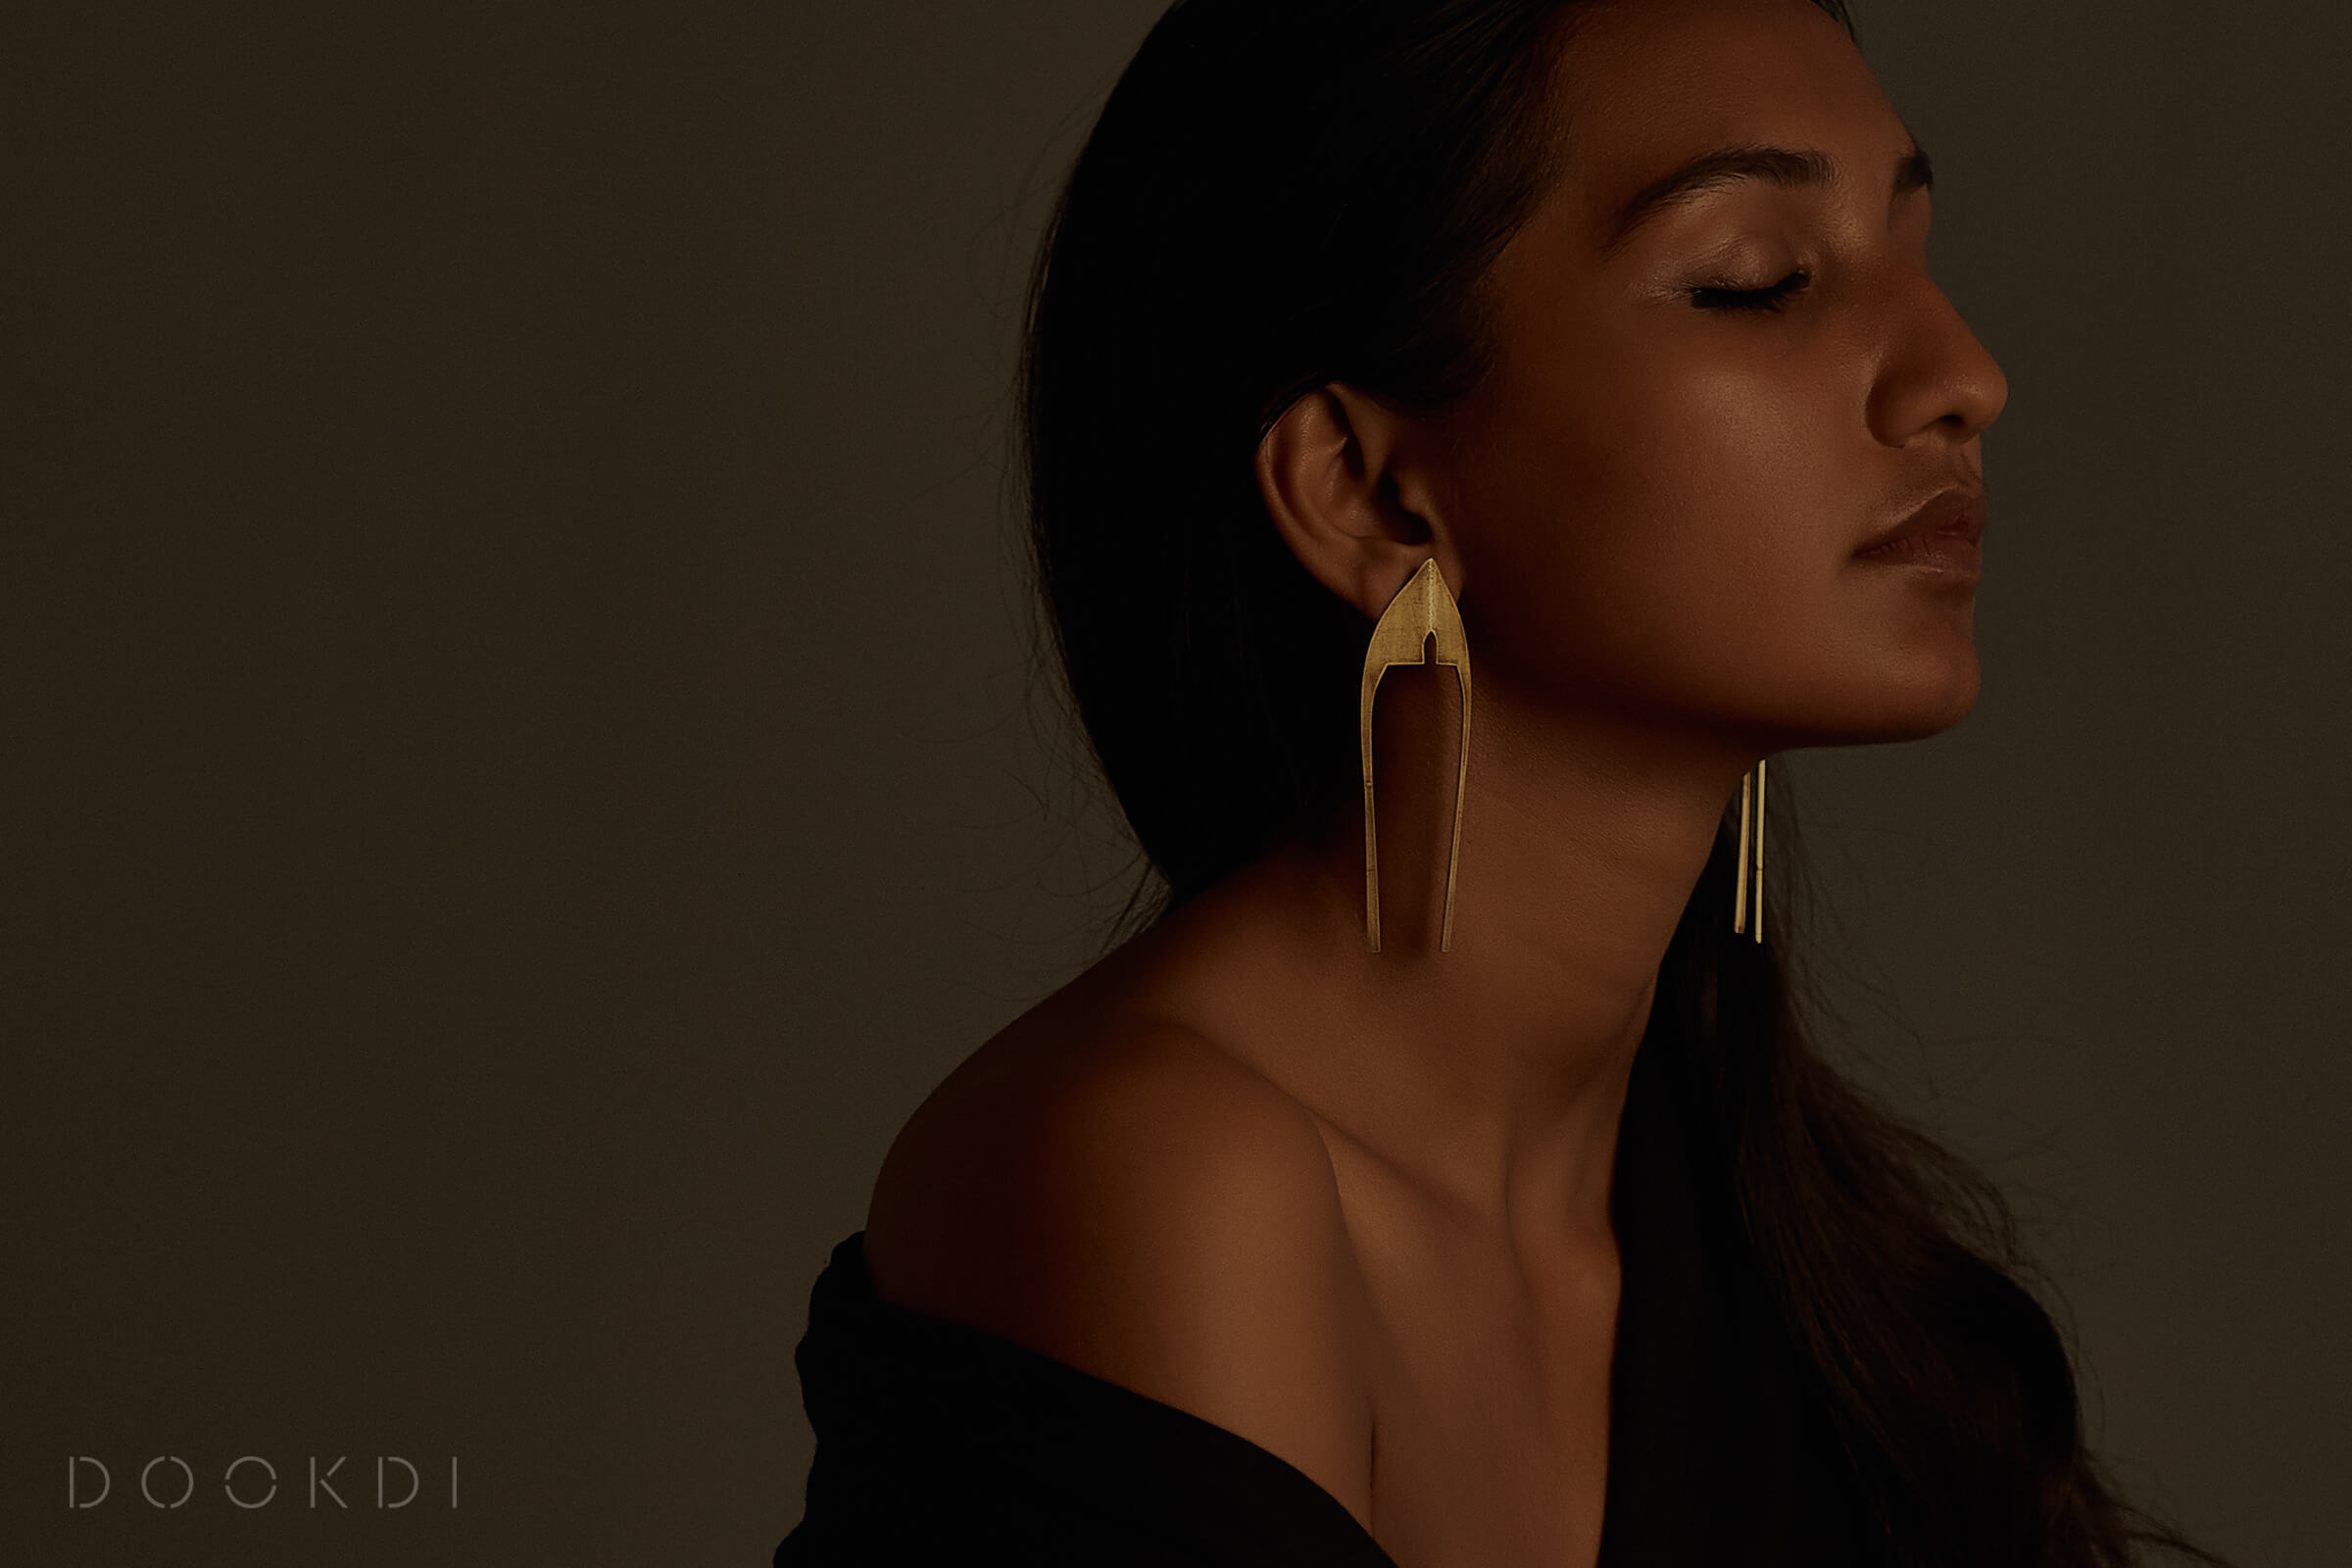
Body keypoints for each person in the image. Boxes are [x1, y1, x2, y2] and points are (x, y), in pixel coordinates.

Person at [776, 1, 2226, 1563]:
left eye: (1916, 252)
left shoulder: (1797, 1262)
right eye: (1757, 279)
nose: (1964, 376)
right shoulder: (1167, 1176)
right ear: (1370, 492)